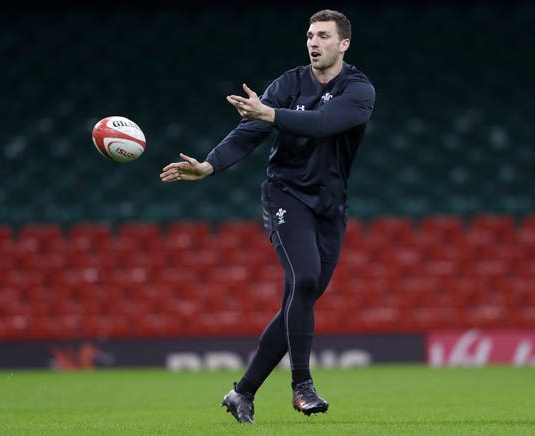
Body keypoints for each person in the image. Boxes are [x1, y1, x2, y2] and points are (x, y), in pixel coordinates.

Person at [160, 9, 375, 424]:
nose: (314, 42)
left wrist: (270, 114)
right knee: (306, 279)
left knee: (302, 295)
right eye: (310, 35)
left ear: (343, 44)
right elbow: (249, 133)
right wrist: (208, 165)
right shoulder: (287, 84)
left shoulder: (359, 89)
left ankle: (242, 393)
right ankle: (302, 385)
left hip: (330, 204)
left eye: (324, 36)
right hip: (286, 195)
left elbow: (325, 124)